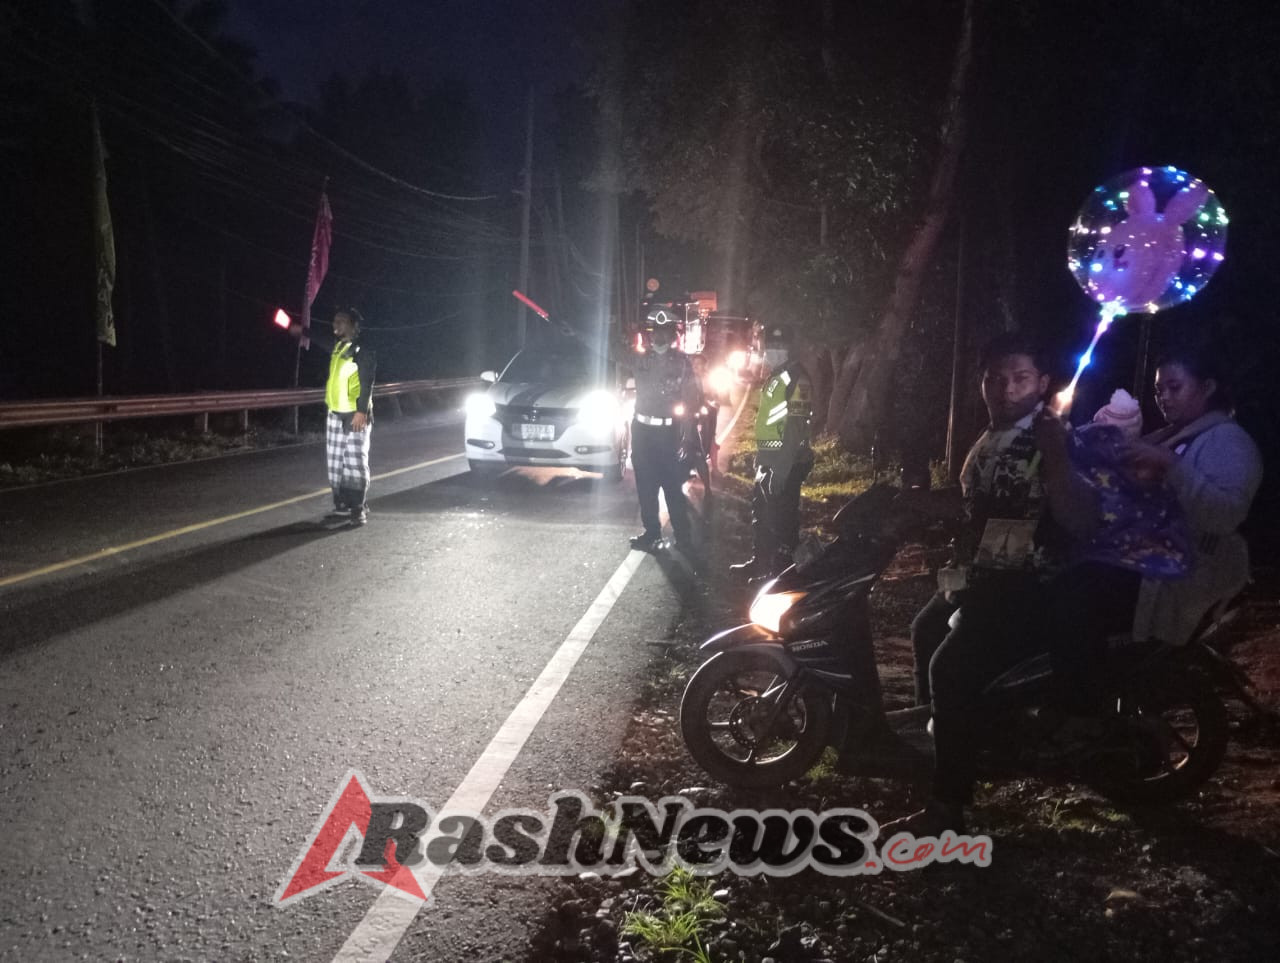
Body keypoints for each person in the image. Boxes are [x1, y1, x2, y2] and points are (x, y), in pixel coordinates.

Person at [889, 332, 1095, 836]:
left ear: (1043, 383)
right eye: (995, 379)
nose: (1006, 389)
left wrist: (1058, 456)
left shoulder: (1055, 437)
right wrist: (900, 506)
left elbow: (1080, 518)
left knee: (950, 667)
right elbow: (970, 507)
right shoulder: (989, 437)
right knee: (925, 630)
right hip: (985, 579)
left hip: (1029, 587)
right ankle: (946, 745)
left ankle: (948, 805)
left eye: (1020, 378)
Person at [1120, 340, 1263, 647]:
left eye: (1174, 387)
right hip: (1138, 561)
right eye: (1159, 390)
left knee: (1075, 594)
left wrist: (1171, 466)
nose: (1164, 398)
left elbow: (1226, 514)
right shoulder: (1164, 437)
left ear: (1207, 387)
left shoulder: (1228, 440)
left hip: (1180, 577)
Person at [288, 308, 377, 526]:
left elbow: (367, 382)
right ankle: (343, 506)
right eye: (334, 320)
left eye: (341, 321)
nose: (335, 324)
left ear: (354, 326)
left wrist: (361, 412)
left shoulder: (362, 349)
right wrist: (302, 330)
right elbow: (318, 338)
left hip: (355, 415)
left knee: (355, 461)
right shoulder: (338, 347)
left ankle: (358, 508)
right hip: (335, 412)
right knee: (336, 463)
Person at [729, 354, 814, 580]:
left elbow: (795, 428)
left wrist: (781, 470)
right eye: (771, 345)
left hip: (786, 463)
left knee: (783, 522)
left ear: (790, 348)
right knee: (764, 516)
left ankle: (782, 575)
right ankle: (761, 564)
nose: (774, 351)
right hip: (769, 460)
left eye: (780, 345)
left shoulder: (798, 379)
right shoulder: (777, 375)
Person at [629, 313, 701, 553]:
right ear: (649, 335)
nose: (659, 336)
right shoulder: (638, 359)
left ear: (672, 336)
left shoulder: (682, 363)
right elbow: (607, 350)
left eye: (664, 332)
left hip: (668, 433)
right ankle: (651, 533)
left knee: (672, 487)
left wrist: (688, 438)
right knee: (645, 486)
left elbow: (691, 403)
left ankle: (683, 538)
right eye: (655, 332)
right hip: (642, 432)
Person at [687, 354, 718, 495]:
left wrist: (707, 403)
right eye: (693, 364)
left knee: (703, 446)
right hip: (686, 417)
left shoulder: (707, 379)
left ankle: (708, 487)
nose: (695, 366)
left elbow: (712, 398)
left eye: (698, 364)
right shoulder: (686, 378)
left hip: (702, 415)